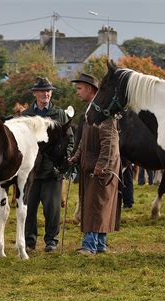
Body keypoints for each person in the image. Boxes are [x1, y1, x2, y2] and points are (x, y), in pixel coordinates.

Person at [69, 73, 121, 256]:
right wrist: (75, 157)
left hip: (100, 169)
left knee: (96, 205)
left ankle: (89, 245)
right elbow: (84, 140)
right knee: (96, 205)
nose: (77, 92)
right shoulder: (90, 112)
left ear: (90, 90)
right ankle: (99, 244)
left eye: (79, 88)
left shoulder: (104, 114)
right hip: (90, 166)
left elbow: (110, 142)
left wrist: (102, 166)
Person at [22, 77, 75, 252]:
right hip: (30, 171)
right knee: (28, 209)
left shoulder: (60, 114)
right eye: (42, 91)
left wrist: (65, 159)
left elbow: (70, 139)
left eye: (48, 91)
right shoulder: (26, 116)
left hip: (52, 170)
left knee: (52, 209)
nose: (46, 94)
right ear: (35, 93)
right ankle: (29, 242)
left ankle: (51, 241)